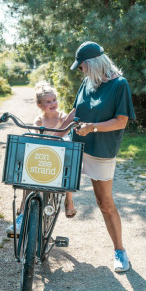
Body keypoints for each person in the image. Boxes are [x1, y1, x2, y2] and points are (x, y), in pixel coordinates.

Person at [58, 41, 135, 272]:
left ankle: (119, 250)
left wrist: (92, 127)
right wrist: (57, 133)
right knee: (52, 174)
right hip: (76, 144)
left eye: (81, 66)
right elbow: (75, 112)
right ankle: (66, 201)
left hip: (101, 150)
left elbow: (121, 121)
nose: (80, 71)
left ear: (92, 64)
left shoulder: (120, 85)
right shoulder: (86, 82)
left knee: (104, 203)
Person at [6, 82, 76, 235]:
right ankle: (22, 214)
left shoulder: (62, 117)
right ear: (40, 105)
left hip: (59, 158)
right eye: (48, 102)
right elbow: (36, 137)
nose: (52, 104)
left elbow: (68, 132)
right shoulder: (39, 120)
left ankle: (69, 200)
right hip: (44, 157)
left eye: (54, 100)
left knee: (70, 162)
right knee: (28, 177)